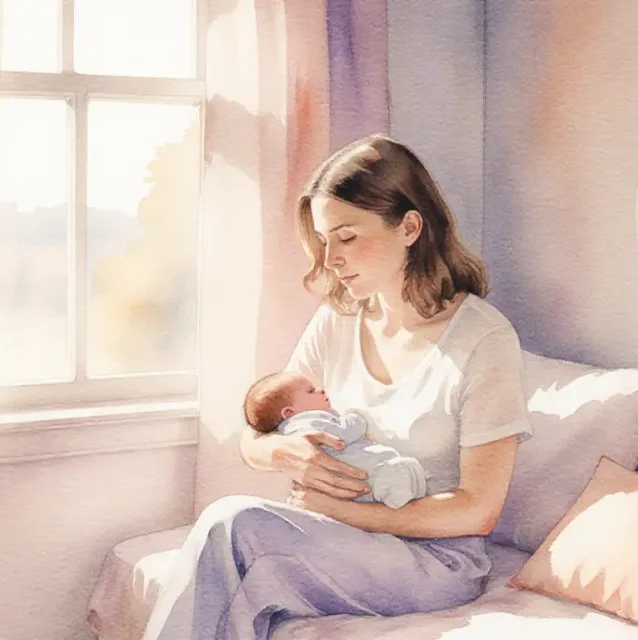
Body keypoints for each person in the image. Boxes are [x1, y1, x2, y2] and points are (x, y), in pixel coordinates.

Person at [142, 135, 532, 640]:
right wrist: (284, 452)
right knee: (232, 546)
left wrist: (336, 509)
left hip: (435, 562)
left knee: (233, 526)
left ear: (410, 227)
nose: (330, 260)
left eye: (346, 238)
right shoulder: (337, 322)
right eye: (325, 241)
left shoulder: (483, 339)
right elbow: (256, 435)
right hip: (344, 536)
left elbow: (477, 511)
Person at [242, 371, 428, 508]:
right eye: (311, 391)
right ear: (289, 412)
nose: (321, 390)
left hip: (347, 484)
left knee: (402, 473)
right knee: (397, 475)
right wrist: (356, 419)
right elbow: (342, 433)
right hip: (364, 476)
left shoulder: (293, 429)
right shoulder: (307, 422)